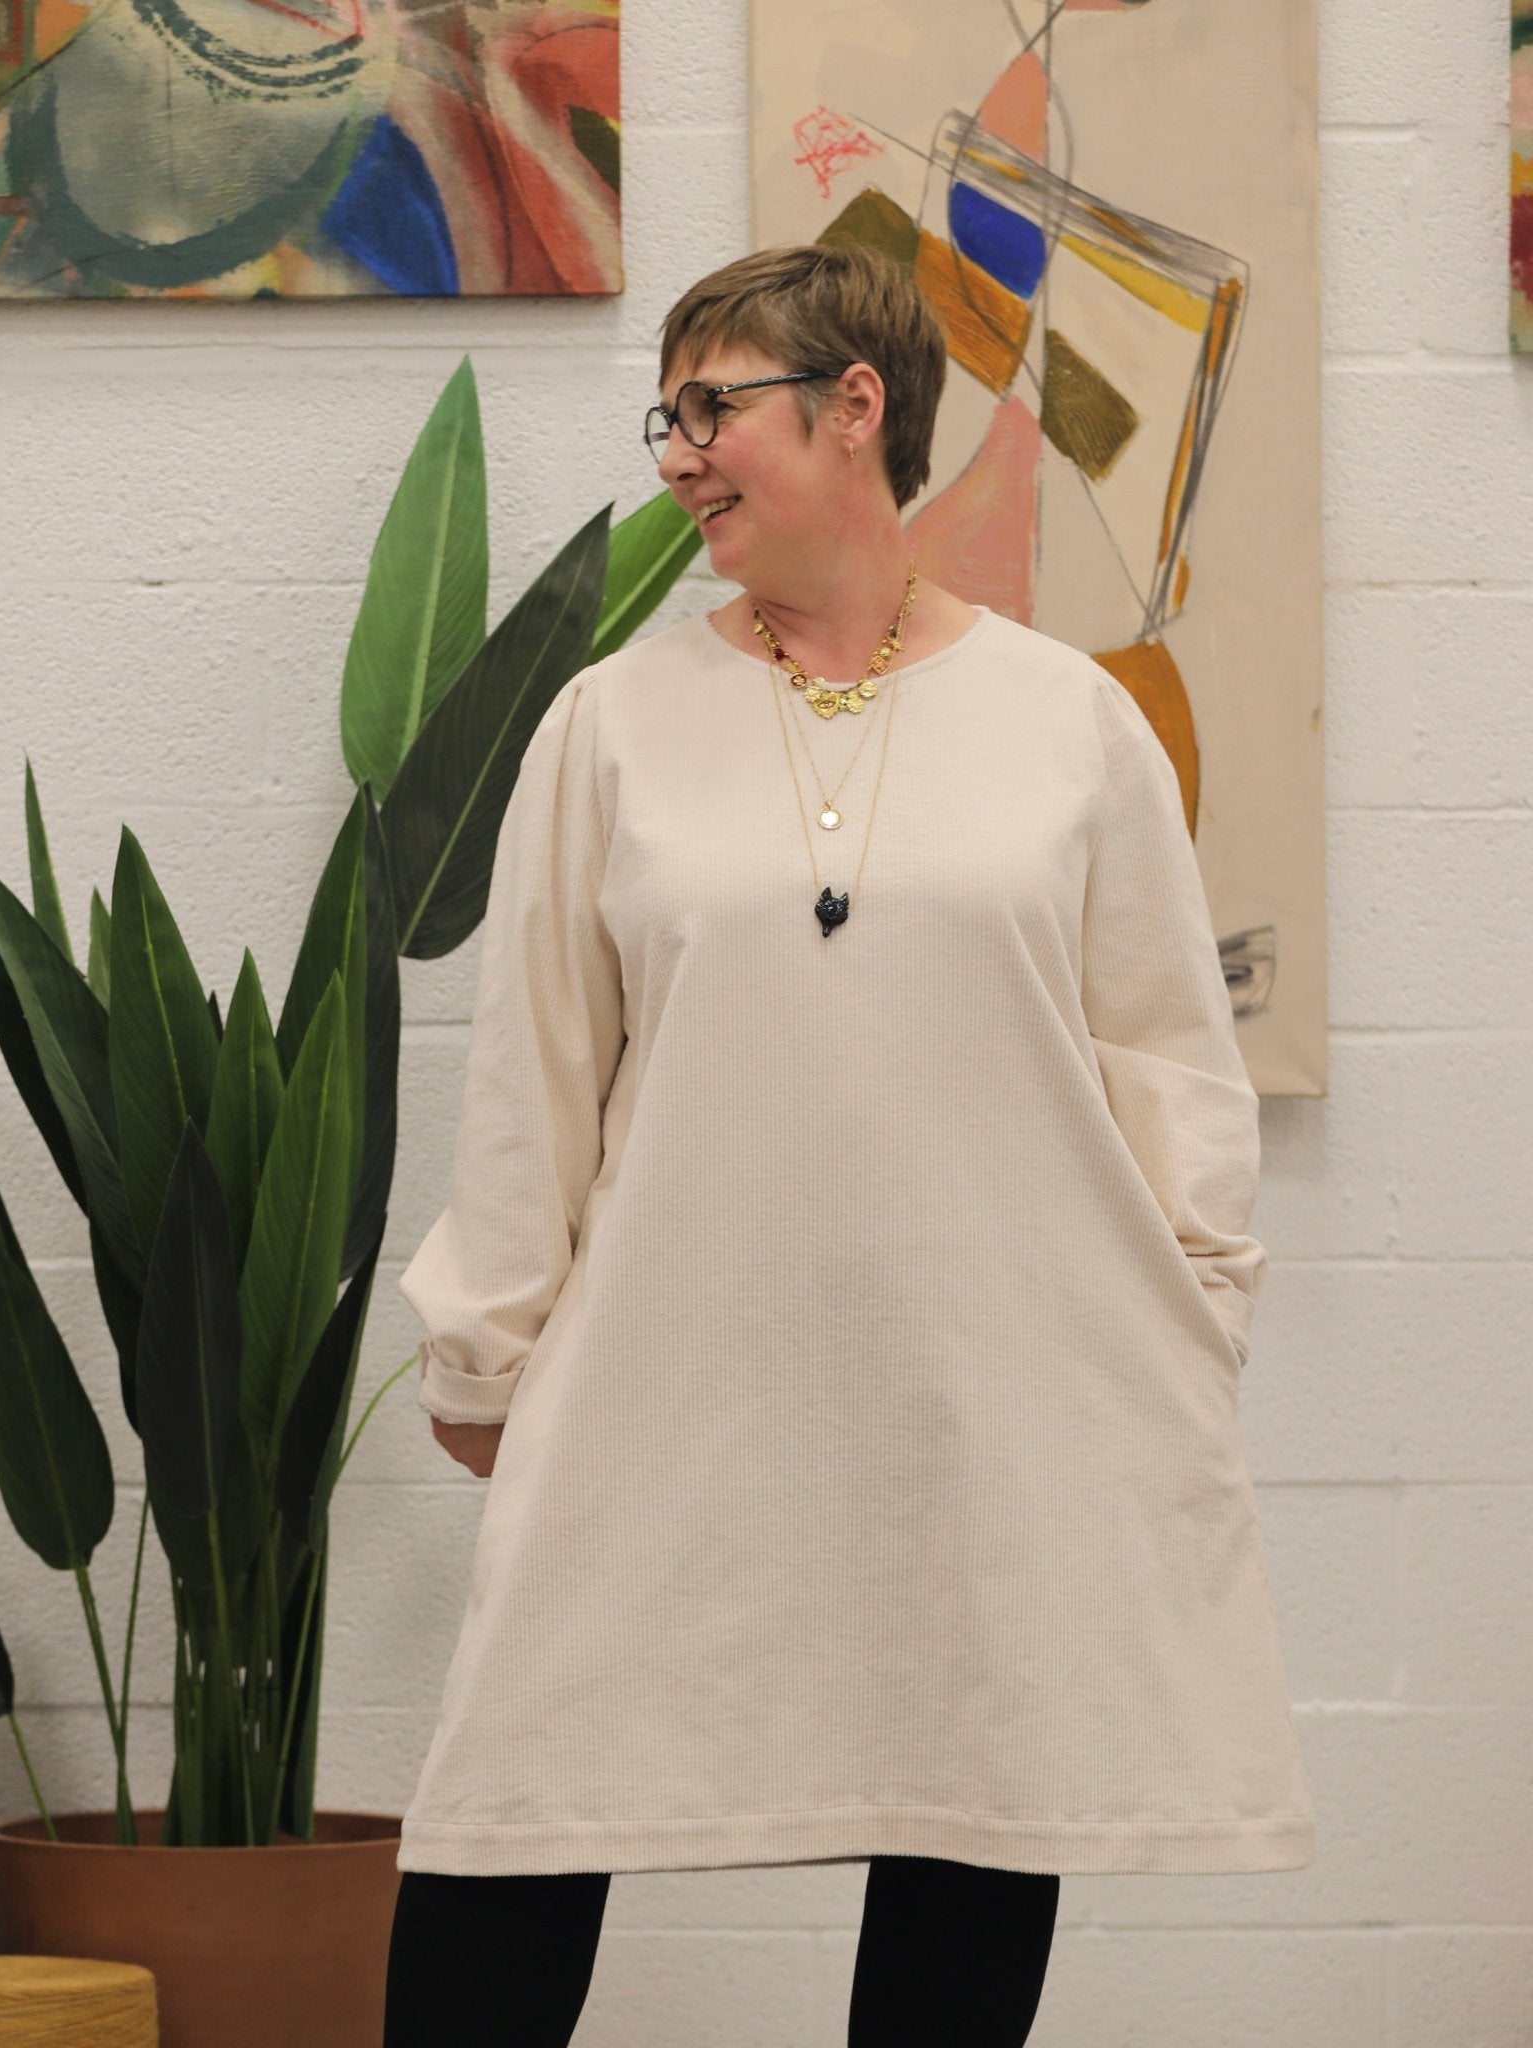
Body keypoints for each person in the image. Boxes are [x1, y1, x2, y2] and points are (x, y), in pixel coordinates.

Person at [382, 243, 1313, 2048]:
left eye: (709, 408)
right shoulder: (610, 725)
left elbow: (1167, 1061)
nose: (676, 455)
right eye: (667, 418)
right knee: (521, 1796)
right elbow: (534, 1072)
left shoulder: (1071, 721)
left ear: (856, 406)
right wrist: (487, 1348)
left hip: (996, 1388)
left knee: (975, 1797)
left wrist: (1194, 1314)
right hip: (664, 1373)